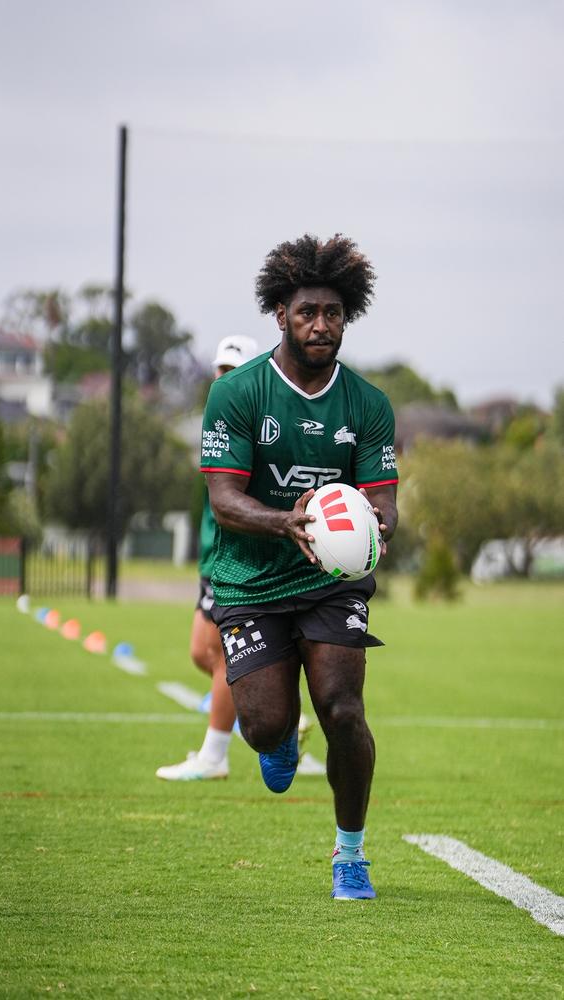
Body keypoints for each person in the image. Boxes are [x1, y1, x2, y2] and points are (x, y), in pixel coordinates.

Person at [200, 234, 398, 900]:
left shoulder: (368, 405)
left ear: (348, 318)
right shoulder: (238, 395)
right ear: (280, 313)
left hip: (330, 582)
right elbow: (224, 501)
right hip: (250, 580)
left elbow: (383, 504)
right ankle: (278, 737)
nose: (322, 324)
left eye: (334, 313)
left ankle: (351, 855)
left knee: (343, 710)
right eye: (308, 311)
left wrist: (374, 531)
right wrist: (288, 521)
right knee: (262, 726)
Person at [156, 336, 259, 781]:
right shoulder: (219, 423)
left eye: (234, 371)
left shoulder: (255, 425)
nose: (224, 378)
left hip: (233, 560)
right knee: (202, 652)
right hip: (210, 556)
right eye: (220, 370)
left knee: (221, 654)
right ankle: (278, 713)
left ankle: (214, 756)